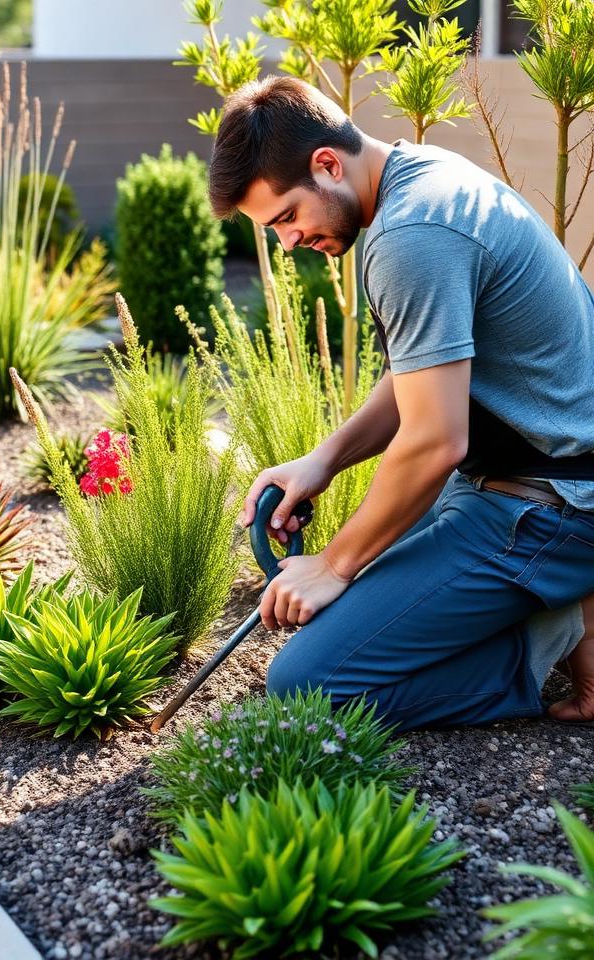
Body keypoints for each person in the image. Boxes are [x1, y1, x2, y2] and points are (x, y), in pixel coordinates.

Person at [207, 75, 594, 731]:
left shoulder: (409, 235)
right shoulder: (420, 174)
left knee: (306, 684)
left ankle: (542, 639)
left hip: (554, 509)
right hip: (524, 481)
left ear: (327, 164)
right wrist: (323, 460)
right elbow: (429, 372)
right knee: (360, 588)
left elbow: (437, 440)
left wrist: (334, 564)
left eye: (286, 218)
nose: (289, 242)